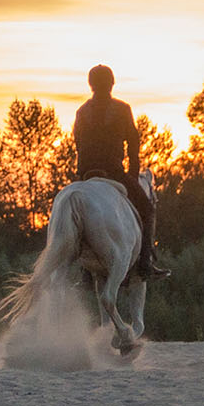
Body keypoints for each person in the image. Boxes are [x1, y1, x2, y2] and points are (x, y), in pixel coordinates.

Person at [71, 64, 169, 279]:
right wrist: (132, 177)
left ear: (90, 84)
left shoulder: (81, 111)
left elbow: (77, 142)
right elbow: (134, 145)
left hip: (86, 173)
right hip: (113, 171)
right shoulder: (122, 109)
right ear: (112, 84)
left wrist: (80, 175)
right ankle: (145, 262)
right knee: (147, 208)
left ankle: (83, 267)